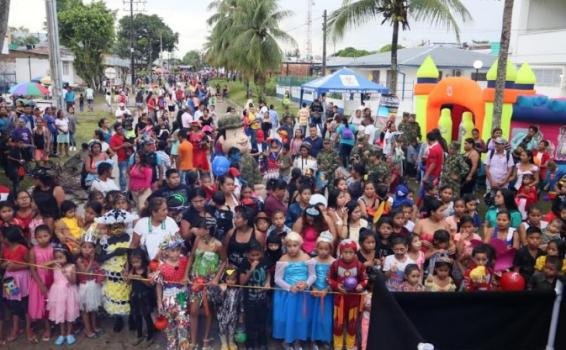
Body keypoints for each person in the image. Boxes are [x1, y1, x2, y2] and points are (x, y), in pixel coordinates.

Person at [272, 231, 314, 349]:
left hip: (302, 294)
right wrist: (289, 287)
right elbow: (277, 278)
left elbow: (312, 275)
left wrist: (306, 284)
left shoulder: (306, 258)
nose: (292, 249)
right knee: (288, 317)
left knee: (300, 318)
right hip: (287, 294)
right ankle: (286, 340)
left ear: (300, 245)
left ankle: (297, 340)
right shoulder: (283, 258)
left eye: (294, 246)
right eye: (289, 246)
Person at [328, 239, 367, 350]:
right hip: (339, 300)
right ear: (341, 252)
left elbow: (365, 279)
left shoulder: (360, 265)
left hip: (353, 301)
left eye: (351, 252)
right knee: (338, 325)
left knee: (352, 325)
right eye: (345, 252)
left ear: (355, 253)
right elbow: (329, 278)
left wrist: (360, 286)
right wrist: (337, 286)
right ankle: (338, 346)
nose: (348, 255)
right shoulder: (335, 264)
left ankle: (350, 346)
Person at [156, 235, 190, 350]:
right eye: (172, 251)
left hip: (181, 295)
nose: (176, 253)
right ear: (166, 252)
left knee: (182, 322)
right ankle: (171, 346)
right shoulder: (161, 266)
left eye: (178, 250)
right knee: (170, 325)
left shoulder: (184, 261)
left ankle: (183, 346)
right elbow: (159, 285)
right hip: (167, 298)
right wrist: (159, 302)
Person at [239, 241, 270, 350]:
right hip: (249, 300)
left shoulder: (264, 260)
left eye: (258, 255)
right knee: (250, 323)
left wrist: (268, 282)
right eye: (253, 255)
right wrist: (251, 269)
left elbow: (268, 273)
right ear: (247, 254)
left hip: (262, 298)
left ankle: (262, 342)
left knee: (262, 322)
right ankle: (250, 343)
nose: (256, 257)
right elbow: (242, 282)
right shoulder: (244, 263)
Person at [47, 244, 80, 346]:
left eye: (61, 257)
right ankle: (62, 334)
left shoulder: (72, 266)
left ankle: (69, 333)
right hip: (57, 293)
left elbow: (74, 281)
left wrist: (67, 274)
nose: (58, 259)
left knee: (69, 312)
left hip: (69, 291)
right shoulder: (55, 265)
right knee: (60, 312)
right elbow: (43, 265)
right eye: (56, 257)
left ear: (67, 256)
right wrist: (54, 261)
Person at [27, 225, 54, 342]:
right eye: (39, 237)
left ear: (50, 236)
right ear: (35, 238)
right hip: (40, 281)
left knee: (53, 304)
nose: (43, 239)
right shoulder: (33, 251)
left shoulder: (53, 248)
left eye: (45, 236)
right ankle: (47, 328)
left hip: (53, 279)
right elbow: (32, 269)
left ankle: (58, 324)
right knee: (43, 306)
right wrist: (41, 284)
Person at [309, 232, 335, 348]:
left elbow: (335, 279)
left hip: (327, 294)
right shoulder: (312, 261)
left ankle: (325, 339)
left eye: (326, 249)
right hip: (315, 293)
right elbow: (308, 276)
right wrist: (312, 287)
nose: (323, 251)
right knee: (314, 316)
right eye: (321, 248)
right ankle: (314, 339)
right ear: (316, 249)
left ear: (330, 249)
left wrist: (328, 289)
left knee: (326, 318)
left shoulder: (334, 262)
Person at [76, 233, 103, 339]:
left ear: (94, 249)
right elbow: (85, 272)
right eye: (84, 247)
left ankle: (94, 326)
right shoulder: (79, 260)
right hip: (85, 287)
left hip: (93, 286)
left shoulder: (96, 260)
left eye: (90, 247)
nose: (87, 250)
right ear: (80, 248)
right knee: (86, 310)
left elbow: (98, 271)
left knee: (93, 309)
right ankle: (88, 329)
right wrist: (91, 261)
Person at [126, 248, 155, 346]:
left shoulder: (147, 268)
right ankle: (139, 335)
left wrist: (141, 278)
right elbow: (128, 282)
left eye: (137, 262)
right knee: (137, 316)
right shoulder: (133, 269)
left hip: (145, 297)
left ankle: (150, 337)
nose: (135, 264)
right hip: (135, 296)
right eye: (133, 262)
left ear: (142, 259)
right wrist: (127, 277)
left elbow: (150, 284)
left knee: (147, 317)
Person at [209, 266, 243, 350]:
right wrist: (222, 292)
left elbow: (241, 302)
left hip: (234, 314)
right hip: (222, 315)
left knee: (232, 328)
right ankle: (224, 343)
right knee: (222, 329)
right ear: (225, 279)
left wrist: (241, 314)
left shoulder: (238, 290)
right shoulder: (221, 288)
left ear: (236, 280)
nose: (230, 281)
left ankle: (231, 342)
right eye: (228, 279)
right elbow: (217, 301)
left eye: (233, 279)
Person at [109, 123, 132, 192]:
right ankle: (123, 190)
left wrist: (130, 144)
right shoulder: (113, 138)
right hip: (122, 159)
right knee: (123, 175)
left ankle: (131, 189)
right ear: (116, 130)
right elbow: (113, 148)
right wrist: (122, 146)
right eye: (119, 129)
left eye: (122, 128)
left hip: (130, 157)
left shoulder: (126, 135)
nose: (121, 130)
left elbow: (132, 142)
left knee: (131, 174)